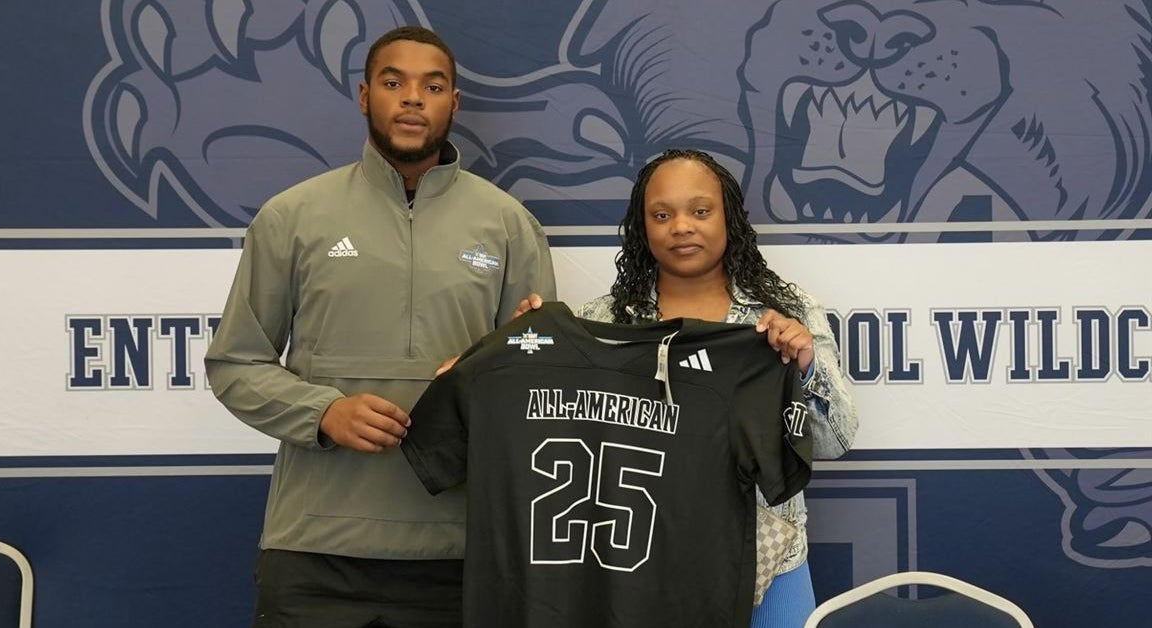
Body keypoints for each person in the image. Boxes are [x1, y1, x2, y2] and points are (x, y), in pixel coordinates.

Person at [204, 25, 557, 628]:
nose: (413, 98)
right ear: (366, 96)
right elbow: (235, 364)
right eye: (394, 83)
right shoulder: (292, 217)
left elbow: (541, 381)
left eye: (433, 85)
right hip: (315, 551)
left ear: (454, 104)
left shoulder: (508, 224)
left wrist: (489, 376)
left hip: (461, 551)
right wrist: (322, 413)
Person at [574, 148, 858, 627]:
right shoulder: (601, 322)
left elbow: (836, 439)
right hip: (640, 558)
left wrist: (806, 367)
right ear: (643, 228)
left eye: (700, 211)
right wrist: (529, 343)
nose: (681, 226)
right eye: (661, 215)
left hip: (769, 557)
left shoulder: (784, 312)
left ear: (730, 218)